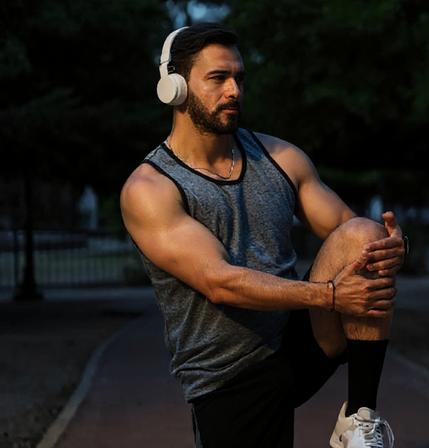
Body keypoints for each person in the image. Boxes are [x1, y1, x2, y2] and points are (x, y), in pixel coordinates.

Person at [120, 22, 405, 448]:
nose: (234, 90)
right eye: (218, 78)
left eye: (239, 78)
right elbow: (219, 282)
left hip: (296, 342)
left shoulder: (280, 157)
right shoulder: (150, 189)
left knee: (363, 235)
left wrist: (395, 249)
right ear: (174, 88)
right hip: (226, 377)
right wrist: (330, 295)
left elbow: (353, 229)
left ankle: (360, 421)